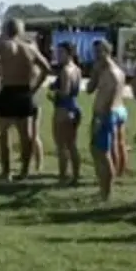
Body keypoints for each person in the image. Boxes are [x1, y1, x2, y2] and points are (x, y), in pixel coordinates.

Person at [0, 19, 52, 180]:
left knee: (4, 134)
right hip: (24, 91)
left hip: (7, 90)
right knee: (26, 135)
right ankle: (24, 171)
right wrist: (35, 87)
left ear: (6, 30)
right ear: (21, 31)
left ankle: (6, 171)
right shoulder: (30, 48)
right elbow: (46, 68)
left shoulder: (2, 46)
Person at [88, 40, 128, 201]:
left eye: (100, 51)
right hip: (119, 110)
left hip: (107, 113)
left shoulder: (111, 73)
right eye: (95, 52)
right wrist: (94, 73)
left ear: (108, 51)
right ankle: (107, 185)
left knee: (101, 152)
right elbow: (90, 89)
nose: (96, 55)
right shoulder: (109, 70)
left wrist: (100, 119)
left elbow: (109, 100)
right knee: (112, 148)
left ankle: (106, 192)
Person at [50, 42, 84, 185]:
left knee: (61, 145)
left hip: (63, 109)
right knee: (72, 144)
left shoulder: (65, 70)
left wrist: (53, 92)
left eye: (61, 53)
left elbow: (65, 91)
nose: (58, 55)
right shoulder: (77, 69)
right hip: (74, 108)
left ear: (69, 54)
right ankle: (76, 175)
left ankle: (62, 175)